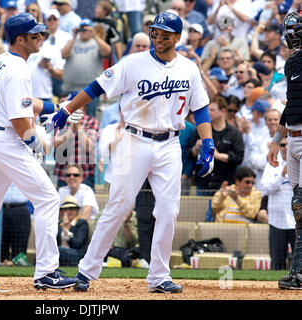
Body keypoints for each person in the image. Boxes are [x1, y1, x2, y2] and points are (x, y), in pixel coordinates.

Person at [54, 12, 214, 293]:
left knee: (168, 210)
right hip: (135, 139)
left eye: (165, 34)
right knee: (119, 206)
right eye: (155, 32)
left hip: (169, 144)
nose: (159, 38)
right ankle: (87, 270)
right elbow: (96, 87)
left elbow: (200, 108)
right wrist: (68, 108)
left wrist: (209, 143)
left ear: (177, 37)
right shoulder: (133, 63)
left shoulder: (189, 68)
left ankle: (159, 277)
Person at [0, 13, 81, 291]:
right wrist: (33, 142)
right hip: (7, 140)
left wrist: (55, 108)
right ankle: (46, 272)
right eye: (34, 34)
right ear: (19, 38)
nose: (40, 37)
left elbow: (24, 102)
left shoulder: (1, 60)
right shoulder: (18, 68)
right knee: (49, 199)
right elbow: (18, 119)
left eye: (40, 33)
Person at [268, 9, 302, 290]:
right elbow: (291, 105)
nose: (290, 35)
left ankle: (299, 272)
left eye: (294, 29)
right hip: (291, 138)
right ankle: (297, 272)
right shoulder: (291, 64)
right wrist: (275, 140)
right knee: (298, 207)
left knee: (301, 205)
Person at [189, 96, 244, 196]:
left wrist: (217, 155)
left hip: (224, 183)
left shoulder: (234, 133)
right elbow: (189, 154)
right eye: (208, 110)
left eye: (212, 110)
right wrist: (196, 148)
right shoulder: (200, 130)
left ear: (223, 111)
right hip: (203, 182)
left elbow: (238, 158)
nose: (208, 112)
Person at [61, 18, 111, 117]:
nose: (83, 32)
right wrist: (74, 37)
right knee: (70, 117)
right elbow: (64, 54)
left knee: (89, 117)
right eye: (81, 29)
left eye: (86, 29)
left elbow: (107, 52)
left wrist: (95, 36)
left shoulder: (97, 42)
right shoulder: (72, 42)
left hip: (91, 88)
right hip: (72, 88)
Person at [261, 137, 295, 270]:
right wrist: (282, 175)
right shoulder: (271, 164)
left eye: (288, 144)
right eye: (282, 145)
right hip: (277, 220)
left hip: (296, 219)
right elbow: (265, 189)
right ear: (279, 147)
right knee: (277, 262)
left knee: (298, 261)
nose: (286, 147)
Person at [54, 97, 100, 190]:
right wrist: (71, 129)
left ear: (83, 106)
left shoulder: (92, 122)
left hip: (85, 174)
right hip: (64, 174)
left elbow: (89, 147)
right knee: (64, 204)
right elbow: (56, 145)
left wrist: (78, 127)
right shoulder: (61, 121)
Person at [0, 183, 32, 265]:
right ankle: (1, 264)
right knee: (2, 243)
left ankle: (18, 266)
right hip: (1, 209)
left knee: (20, 245)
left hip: (20, 208)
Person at [57, 195, 89, 266]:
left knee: (55, 251)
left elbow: (78, 244)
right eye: (65, 209)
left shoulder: (82, 223)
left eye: (71, 209)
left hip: (76, 255)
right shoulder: (58, 224)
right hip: (60, 255)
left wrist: (65, 230)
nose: (68, 211)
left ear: (76, 210)